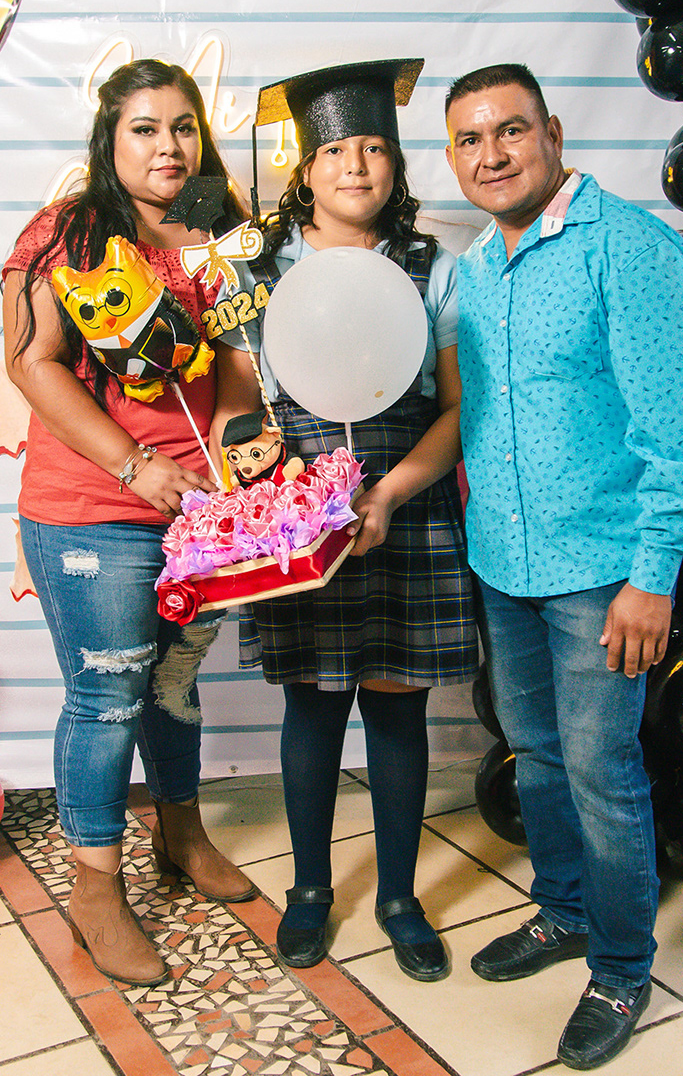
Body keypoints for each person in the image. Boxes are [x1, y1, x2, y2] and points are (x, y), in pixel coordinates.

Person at [444, 63, 683, 1069]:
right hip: (504, 562)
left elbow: (681, 429)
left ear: (553, 134)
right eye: (470, 140)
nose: (492, 155)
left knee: (603, 771)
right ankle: (562, 909)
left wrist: (655, 574)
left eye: (511, 131)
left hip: (604, 571)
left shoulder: (630, 248)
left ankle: (619, 967)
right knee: (536, 751)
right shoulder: (477, 267)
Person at [218, 59, 478, 982]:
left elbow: (457, 409)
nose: (355, 166)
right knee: (314, 703)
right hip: (301, 513)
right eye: (335, 151)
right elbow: (236, 407)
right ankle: (309, 890)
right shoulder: (257, 271)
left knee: (398, 707)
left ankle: (401, 897)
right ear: (306, 166)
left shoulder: (434, 267)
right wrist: (276, 481)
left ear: (396, 163)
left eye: (373, 148)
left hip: (405, 503)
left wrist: (389, 493)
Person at [3, 58, 259, 988]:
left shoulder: (220, 227)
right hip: (94, 512)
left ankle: (181, 835)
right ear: (109, 141)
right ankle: (96, 889)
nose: (168, 146)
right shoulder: (64, 233)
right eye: (145, 128)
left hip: (199, 510)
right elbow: (31, 362)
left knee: (174, 686)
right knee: (108, 696)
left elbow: (238, 358)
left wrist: (234, 455)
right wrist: (133, 465)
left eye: (183, 126)